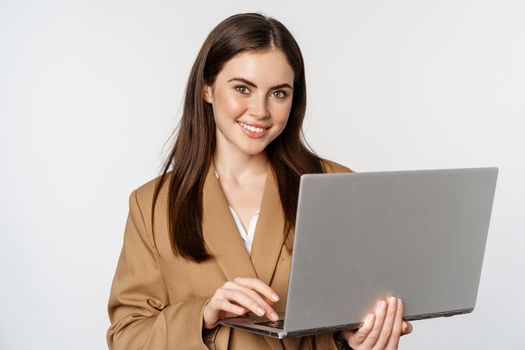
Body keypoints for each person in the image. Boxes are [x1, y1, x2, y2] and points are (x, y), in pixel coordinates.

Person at [106, 12, 413, 350]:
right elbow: (127, 337)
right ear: (206, 88)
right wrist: (204, 316)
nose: (260, 111)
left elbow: (354, 316)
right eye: (242, 88)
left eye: (278, 94)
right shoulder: (152, 205)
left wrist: (357, 339)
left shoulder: (337, 185)